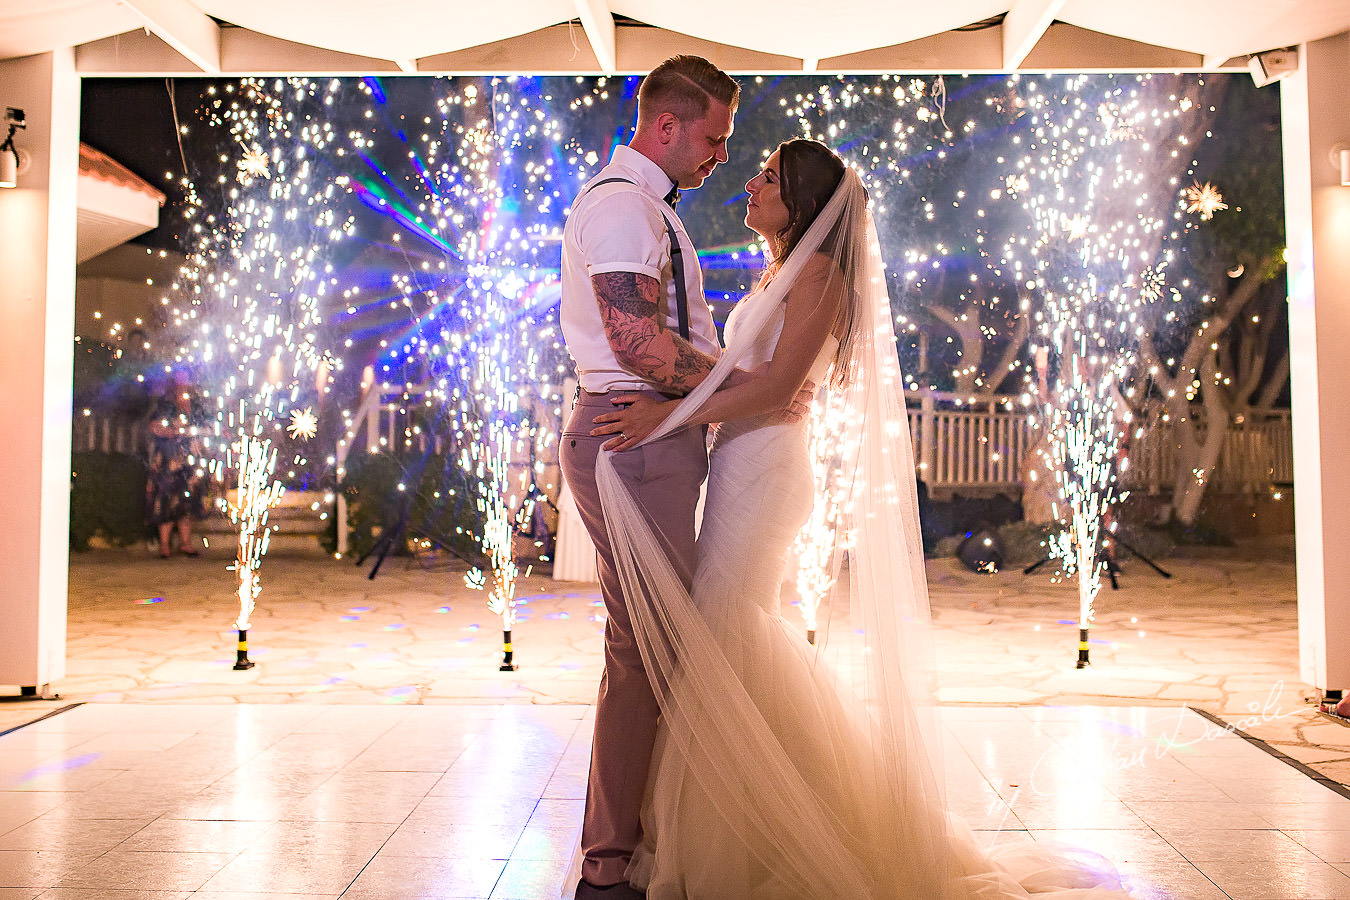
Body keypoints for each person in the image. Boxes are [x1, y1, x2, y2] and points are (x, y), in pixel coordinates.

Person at [588, 140, 1130, 898]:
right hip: (743, 460)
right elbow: (751, 376)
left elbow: (779, 392)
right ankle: (764, 818)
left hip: (769, 467)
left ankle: (763, 833)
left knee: (726, 632)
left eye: (769, 179)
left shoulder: (822, 277)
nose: (750, 183)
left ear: (803, 202)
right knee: (726, 635)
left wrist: (666, 412)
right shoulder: (782, 271)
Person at [557, 54, 739, 900]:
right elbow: (636, 345)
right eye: (713, 138)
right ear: (665, 125)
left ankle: (627, 847)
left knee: (647, 643)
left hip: (646, 428)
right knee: (645, 646)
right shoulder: (627, 209)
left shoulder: (643, 205)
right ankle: (609, 865)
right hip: (635, 432)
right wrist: (737, 385)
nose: (719, 157)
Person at [145, 385, 208, 558]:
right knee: (166, 500)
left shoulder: (196, 407)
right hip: (168, 460)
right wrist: (169, 431)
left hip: (190, 461)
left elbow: (206, 428)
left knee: (187, 500)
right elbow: (153, 426)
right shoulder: (165, 407)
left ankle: (185, 543)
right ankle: (164, 545)